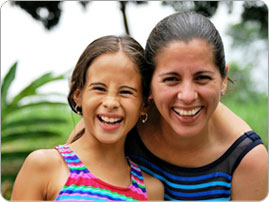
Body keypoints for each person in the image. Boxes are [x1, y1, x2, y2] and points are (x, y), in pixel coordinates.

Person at [68, 11, 268, 201]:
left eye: (202, 78)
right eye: (171, 79)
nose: (188, 96)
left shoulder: (246, 159)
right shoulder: (119, 120)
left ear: (223, 78)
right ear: (149, 84)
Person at [11, 35, 164, 201]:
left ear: (144, 104)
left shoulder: (150, 191)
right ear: (78, 95)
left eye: (126, 92)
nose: (111, 102)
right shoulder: (45, 166)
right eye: (99, 88)